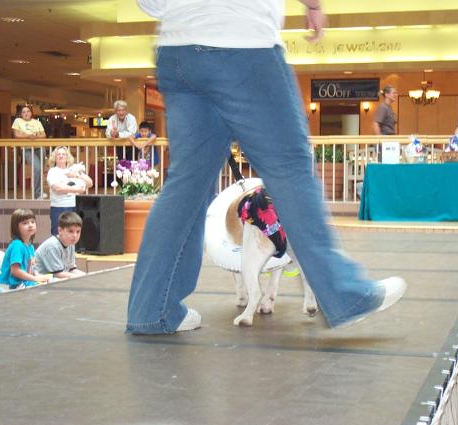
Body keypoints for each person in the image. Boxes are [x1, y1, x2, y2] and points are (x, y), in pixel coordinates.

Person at [127, 0, 407, 334]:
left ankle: (152, 310)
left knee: (186, 182)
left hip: (176, 50)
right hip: (243, 43)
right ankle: (344, 294)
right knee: (290, 167)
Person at [0, 208, 51, 289]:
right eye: (25, 223)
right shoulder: (17, 245)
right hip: (18, 286)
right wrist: (36, 279)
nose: (30, 225)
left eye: (32, 222)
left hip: (28, 282)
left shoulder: (30, 246)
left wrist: (40, 277)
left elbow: (32, 268)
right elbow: (15, 271)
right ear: (16, 227)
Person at [46, 146, 93, 236]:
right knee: (58, 234)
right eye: (58, 154)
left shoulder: (73, 170)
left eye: (63, 154)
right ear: (55, 157)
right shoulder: (53, 171)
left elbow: (90, 183)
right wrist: (77, 189)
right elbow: (58, 188)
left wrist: (76, 175)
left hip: (74, 206)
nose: (61, 156)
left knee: (73, 235)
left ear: (67, 157)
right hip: (59, 207)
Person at [35, 211, 86, 279]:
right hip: (38, 281)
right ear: (60, 230)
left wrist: (87, 276)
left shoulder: (71, 243)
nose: (75, 235)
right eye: (70, 231)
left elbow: (71, 269)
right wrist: (81, 278)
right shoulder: (52, 246)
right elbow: (57, 274)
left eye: (78, 231)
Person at [12, 105, 46, 199]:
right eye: (24, 112)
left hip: (39, 148)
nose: (26, 113)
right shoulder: (17, 121)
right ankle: (37, 194)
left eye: (28, 111)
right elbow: (16, 135)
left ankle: (39, 191)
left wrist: (34, 137)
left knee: (40, 169)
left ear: (31, 113)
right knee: (37, 168)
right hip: (27, 149)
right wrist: (29, 136)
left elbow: (43, 135)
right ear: (21, 114)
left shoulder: (37, 122)